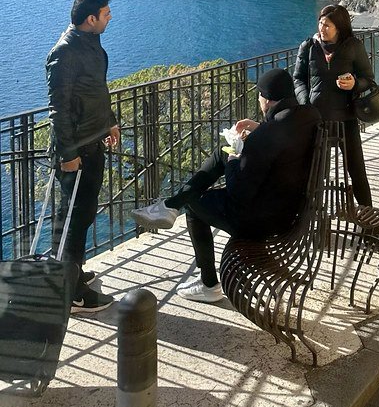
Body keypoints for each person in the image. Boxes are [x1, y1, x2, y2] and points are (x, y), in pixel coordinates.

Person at [132, 68, 320, 303]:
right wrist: (258, 129)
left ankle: (208, 283)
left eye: (260, 96)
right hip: (290, 208)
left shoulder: (268, 135)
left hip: (261, 221)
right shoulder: (309, 115)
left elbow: (238, 191)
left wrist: (234, 158)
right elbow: (282, 142)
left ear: (267, 99)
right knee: (222, 153)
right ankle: (170, 205)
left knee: (195, 204)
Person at [46, 0, 120, 314]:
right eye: (106, 13)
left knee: (84, 215)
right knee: (73, 220)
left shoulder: (90, 42)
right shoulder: (64, 53)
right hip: (76, 152)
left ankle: (71, 273)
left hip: (92, 143)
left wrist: (110, 122)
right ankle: (72, 294)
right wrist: (68, 156)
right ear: (91, 18)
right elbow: (58, 110)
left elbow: (96, 90)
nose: (110, 17)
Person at [293, 4, 374, 207]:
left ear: (339, 27)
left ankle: (368, 216)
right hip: (316, 119)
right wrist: (305, 102)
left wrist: (355, 83)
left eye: (327, 25)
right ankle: (312, 216)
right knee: (315, 172)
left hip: (346, 118)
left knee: (357, 170)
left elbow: (368, 79)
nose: (322, 28)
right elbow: (298, 79)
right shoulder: (308, 47)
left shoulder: (353, 46)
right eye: (321, 23)